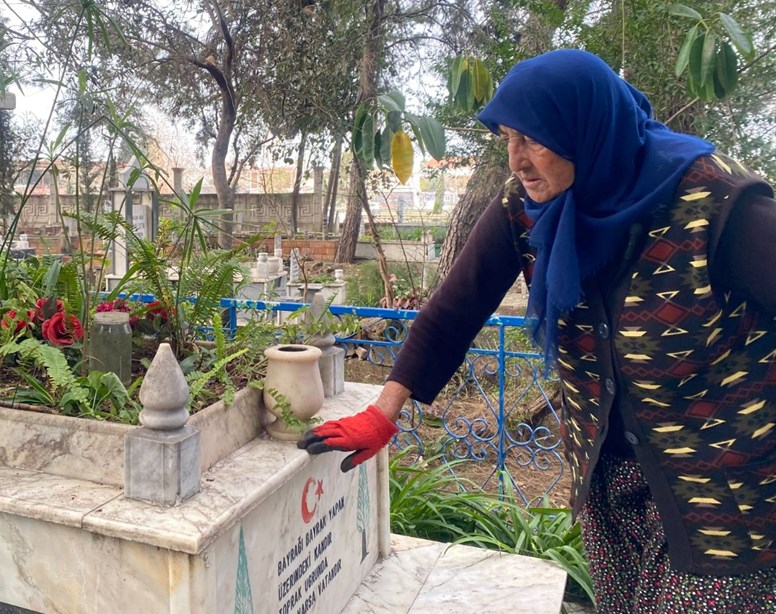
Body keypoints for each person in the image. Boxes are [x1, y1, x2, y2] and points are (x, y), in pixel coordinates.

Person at [299, 49, 776, 612]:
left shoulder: (718, 205)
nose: (517, 160)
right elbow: (455, 308)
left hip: (724, 497)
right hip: (608, 483)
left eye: (533, 140)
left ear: (586, 129)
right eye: (508, 139)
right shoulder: (526, 207)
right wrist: (384, 412)